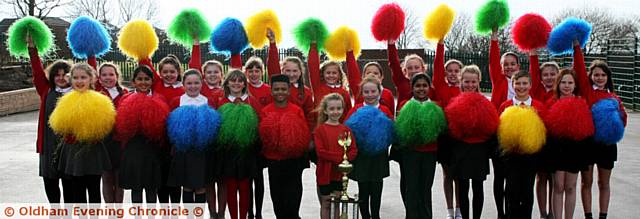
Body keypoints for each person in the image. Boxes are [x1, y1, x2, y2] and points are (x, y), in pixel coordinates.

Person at [314, 93, 357, 219]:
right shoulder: (320, 130)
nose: (335, 112)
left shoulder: (346, 130)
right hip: (325, 173)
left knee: (337, 203)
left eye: (339, 108)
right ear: (326, 111)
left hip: (340, 174)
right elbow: (320, 152)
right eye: (332, 109)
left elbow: (353, 150)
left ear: (343, 109)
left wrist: (346, 161)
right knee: (326, 203)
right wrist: (341, 158)